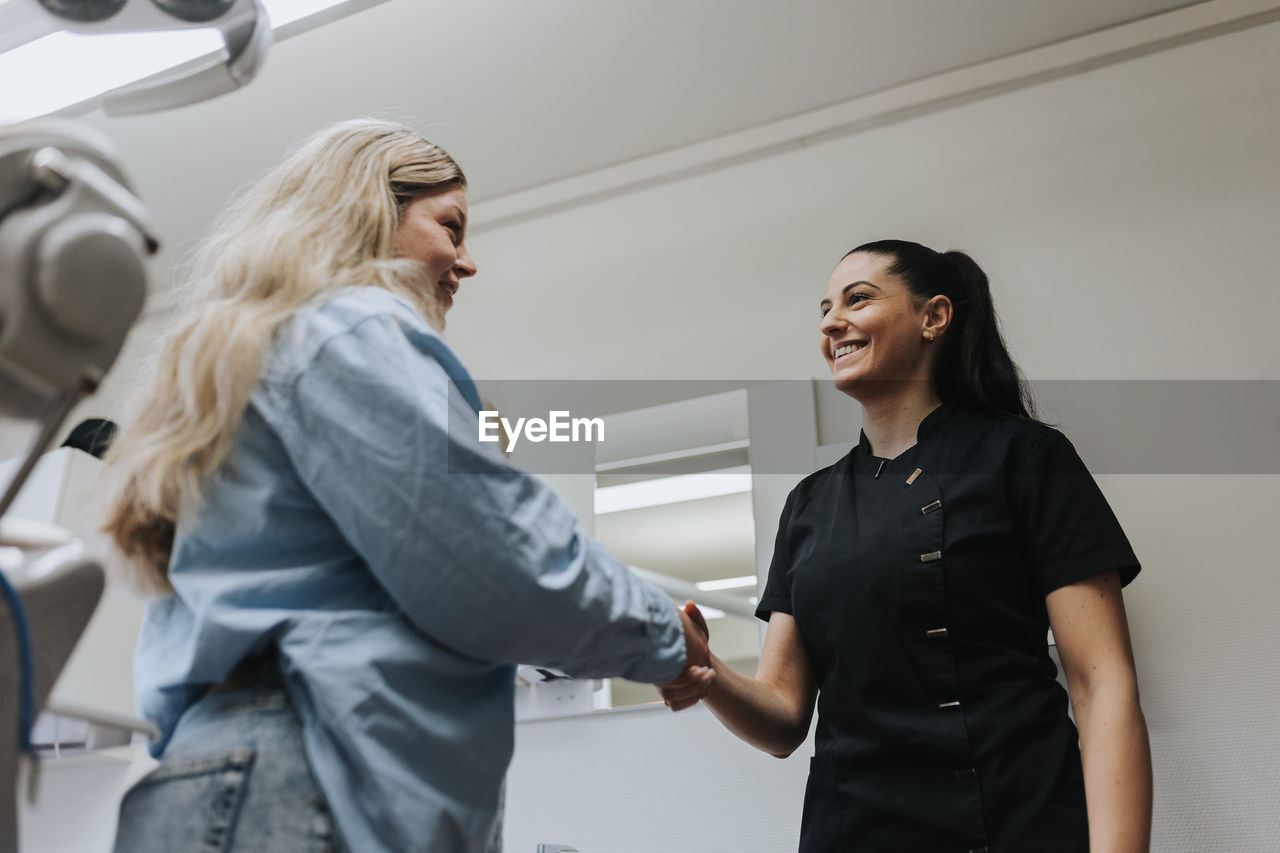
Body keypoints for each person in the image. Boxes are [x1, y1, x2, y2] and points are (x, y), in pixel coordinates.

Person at [97, 119, 710, 853]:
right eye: (450, 226)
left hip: (221, 777)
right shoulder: (349, 328)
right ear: (367, 209)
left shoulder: (260, 353)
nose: (466, 261)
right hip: (301, 774)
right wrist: (665, 636)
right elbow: (503, 567)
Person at [660, 240, 1152, 851]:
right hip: (853, 830)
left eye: (857, 299)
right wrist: (702, 672)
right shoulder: (810, 505)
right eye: (824, 309)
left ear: (933, 317)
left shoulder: (1025, 459)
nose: (830, 322)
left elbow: (1102, 683)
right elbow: (784, 718)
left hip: (1011, 821)